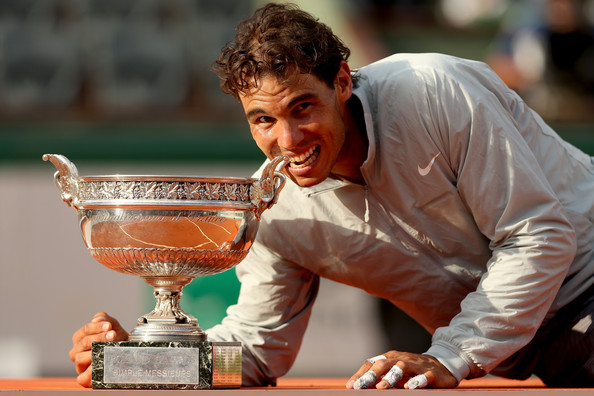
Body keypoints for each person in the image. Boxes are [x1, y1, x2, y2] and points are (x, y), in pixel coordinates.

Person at [69, 2, 594, 389]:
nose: (289, 141)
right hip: (554, 354)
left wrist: (451, 355)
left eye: (302, 108)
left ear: (342, 81)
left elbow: (538, 236)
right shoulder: (273, 208)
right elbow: (254, 352)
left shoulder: (435, 90)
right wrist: (145, 362)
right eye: (263, 120)